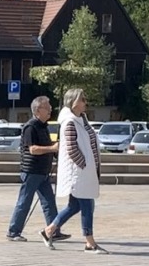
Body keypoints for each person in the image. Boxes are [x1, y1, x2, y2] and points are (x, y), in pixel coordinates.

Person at [41, 88, 107, 253]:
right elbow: (71, 148)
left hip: (87, 172)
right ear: (74, 102)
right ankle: (89, 242)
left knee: (74, 206)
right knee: (87, 205)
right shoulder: (69, 122)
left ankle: (49, 230)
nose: (85, 102)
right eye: (82, 99)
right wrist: (84, 165)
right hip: (79, 173)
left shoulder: (82, 119)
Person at [6, 95, 60, 241]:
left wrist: (55, 152)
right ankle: (13, 232)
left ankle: (53, 231)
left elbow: (48, 147)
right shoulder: (30, 127)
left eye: (49, 107)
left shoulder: (44, 127)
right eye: (47, 107)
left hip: (43, 171)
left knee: (49, 202)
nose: (50, 110)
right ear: (37, 110)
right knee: (24, 202)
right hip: (32, 171)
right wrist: (52, 148)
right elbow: (33, 149)